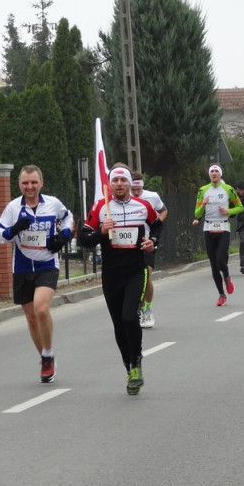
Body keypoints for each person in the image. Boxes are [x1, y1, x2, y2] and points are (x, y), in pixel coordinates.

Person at [78, 164, 160, 394]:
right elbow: (84, 238)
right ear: (110, 184)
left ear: (130, 183)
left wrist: (153, 241)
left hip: (136, 269)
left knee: (129, 317)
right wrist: (100, 232)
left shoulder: (142, 206)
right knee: (118, 323)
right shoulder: (101, 207)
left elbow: (157, 224)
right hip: (112, 273)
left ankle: (137, 361)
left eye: (123, 180)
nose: (120, 184)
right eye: (116, 181)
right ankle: (129, 366)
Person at [0, 165, 74, 383]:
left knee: (41, 308)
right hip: (22, 267)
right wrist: (14, 229)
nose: (30, 186)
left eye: (34, 182)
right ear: (19, 184)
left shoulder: (53, 204)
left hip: (47, 264)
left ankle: (47, 356)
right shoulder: (12, 208)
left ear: (41, 183)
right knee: (30, 316)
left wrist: (64, 236)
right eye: (25, 183)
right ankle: (46, 356)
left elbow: (68, 217)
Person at [191, 164, 243, 306]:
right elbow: (196, 213)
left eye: (216, 171)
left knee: (221, 259)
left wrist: (228, 211)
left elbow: (240, 207)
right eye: (211, 171)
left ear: (220, 174)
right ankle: (221, 295)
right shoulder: (203, 190)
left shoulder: (228, 189)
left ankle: (226, 276)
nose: (214, 173)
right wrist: (203, 205)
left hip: (223, 227)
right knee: (213, 264)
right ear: (209, 174)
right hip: (208, 228)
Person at [130, 172, 168, 329]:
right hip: (130, 244)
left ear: (143, 187)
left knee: (146, 275)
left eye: (138, 189)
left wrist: (155, 225)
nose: (136, 192)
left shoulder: (152, 196)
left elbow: (163, 210)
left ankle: (147, 309)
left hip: (148, 243)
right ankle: (136, 308)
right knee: (133, 279)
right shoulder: (123, 198)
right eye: (133, 189)